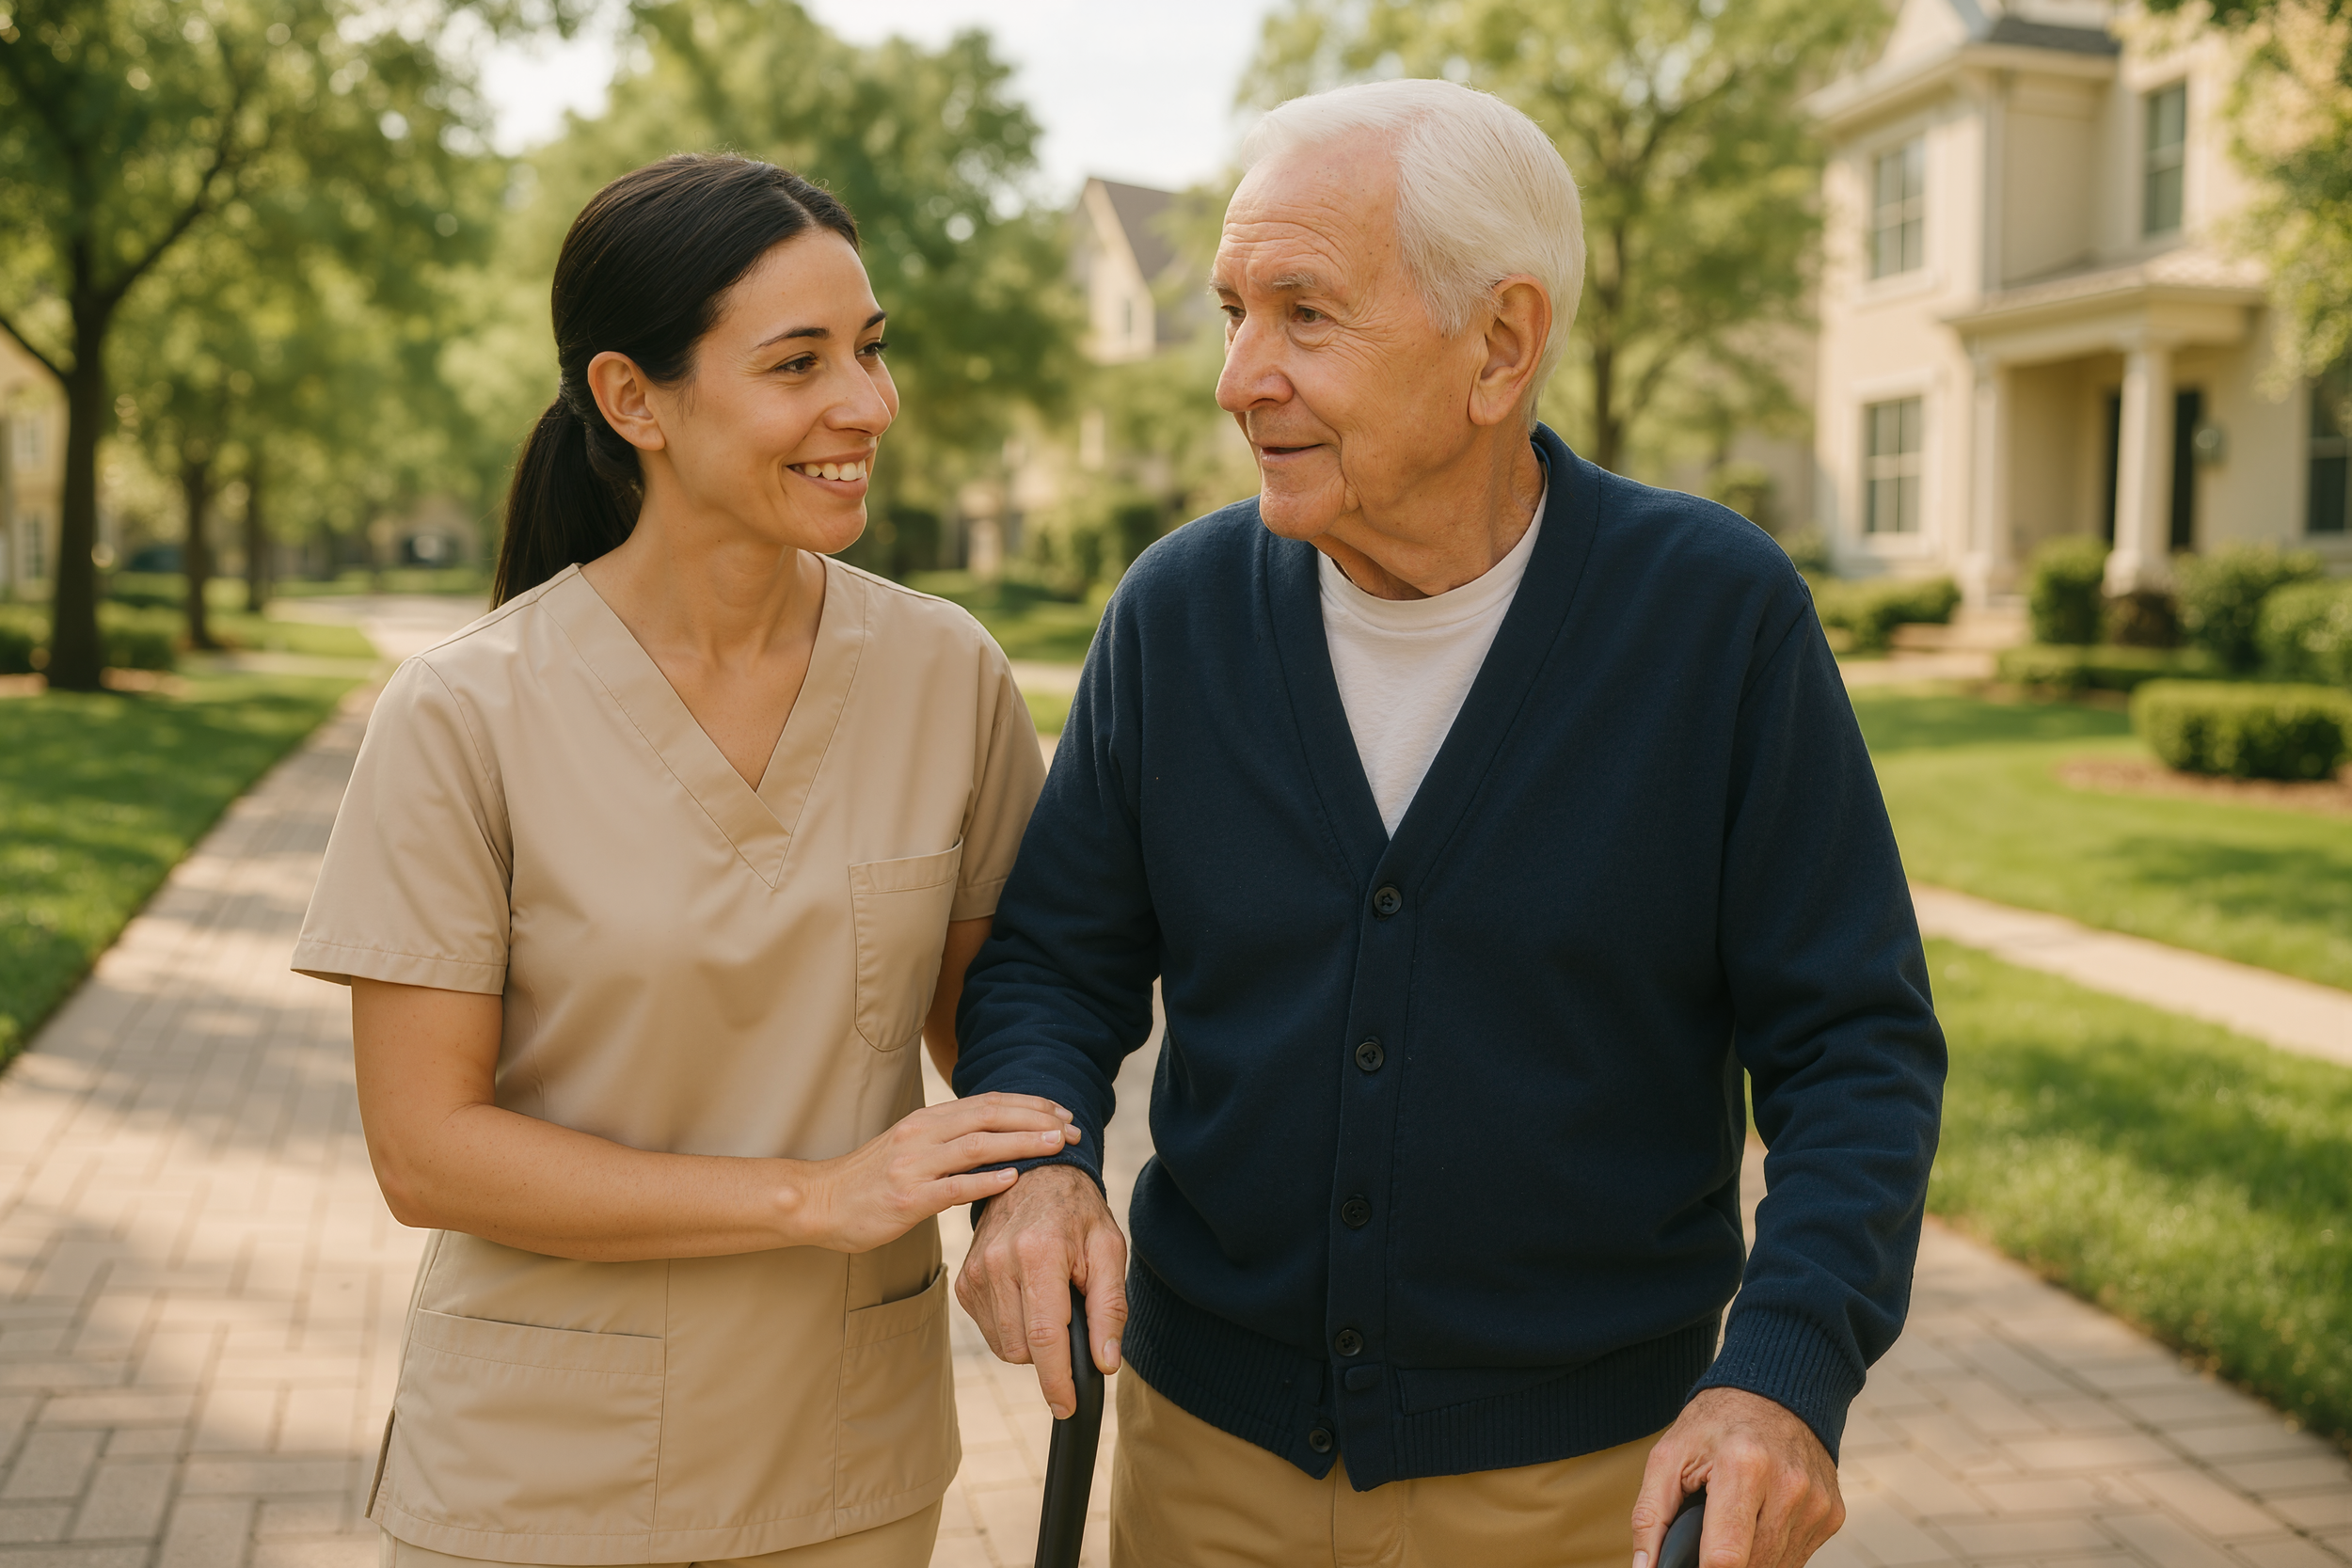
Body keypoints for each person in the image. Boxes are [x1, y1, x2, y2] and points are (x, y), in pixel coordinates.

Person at [951, 79, 1947, 1568]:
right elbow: (1052, 960)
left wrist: (1783, 1375)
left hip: (1589, 1483)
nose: (1237, 377)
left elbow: (1854, 1045)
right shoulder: (1179, 613)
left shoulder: (1710, 617)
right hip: (1204, 1455)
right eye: (1232, 310)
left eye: (1304, 314)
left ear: (1500, 346)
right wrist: (1042, 1163)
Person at [292, 153, 1064, 1568]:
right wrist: (814, 1197)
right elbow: (424, 1148)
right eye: (797, 362)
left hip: (848, 1461)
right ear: (630, 398)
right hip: (539, 1473)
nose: (867, 405)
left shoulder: (944, 672)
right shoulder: (465, 712)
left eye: (871, 350)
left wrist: (1046, 1181)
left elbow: (1003, 1014)